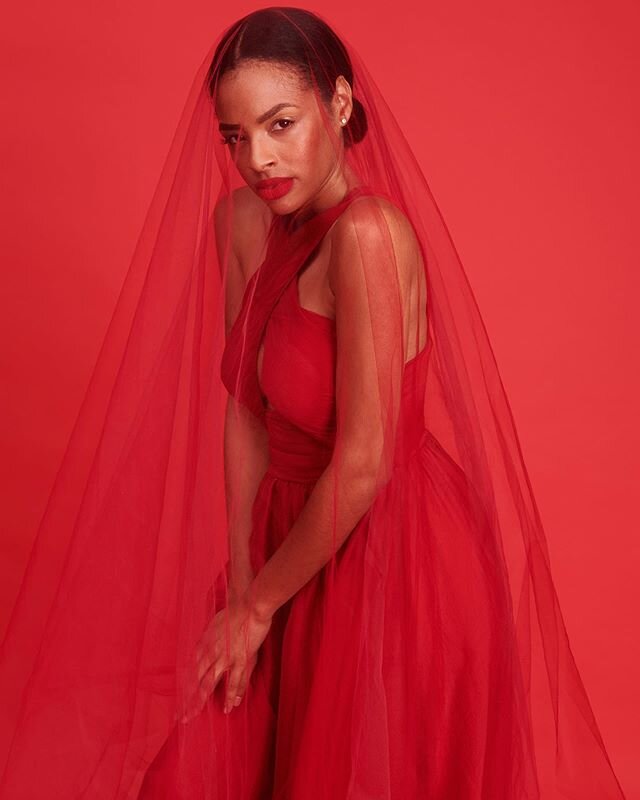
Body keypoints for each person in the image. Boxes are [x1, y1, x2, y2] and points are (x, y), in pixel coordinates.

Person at [0, 7, 628, 800]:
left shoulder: (367, 236)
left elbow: (364, 465)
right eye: (235, 135)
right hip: (284, 540)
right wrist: (241, 576)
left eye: (280, 123)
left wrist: (258, 606)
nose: (256, 156)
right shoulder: (241, 225)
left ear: (338, 102)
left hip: (391, 559)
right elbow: (245, 411)